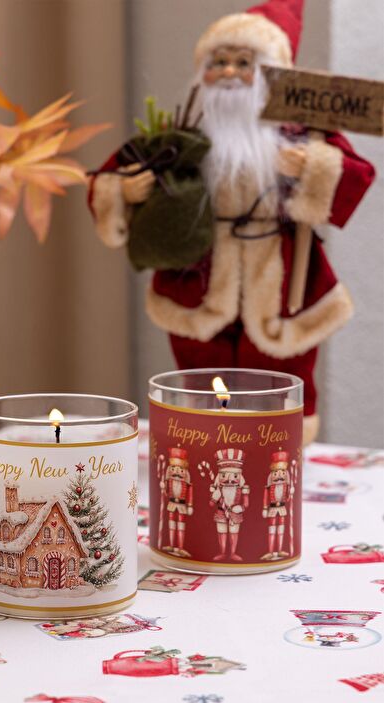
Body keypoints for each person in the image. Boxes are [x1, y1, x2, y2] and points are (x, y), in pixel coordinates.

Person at [88, 0, 375, 444]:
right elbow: (113, 173)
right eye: (217, 61)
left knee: (282, 377)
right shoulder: (185, 132)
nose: (228, 72)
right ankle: (207, 443)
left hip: (282, 279)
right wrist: (123, 192)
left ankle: (277, 451)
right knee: (202, 370)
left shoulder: (300, 133)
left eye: (244, 63)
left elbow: (356, 175)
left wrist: (313, 166)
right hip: (201, 276)